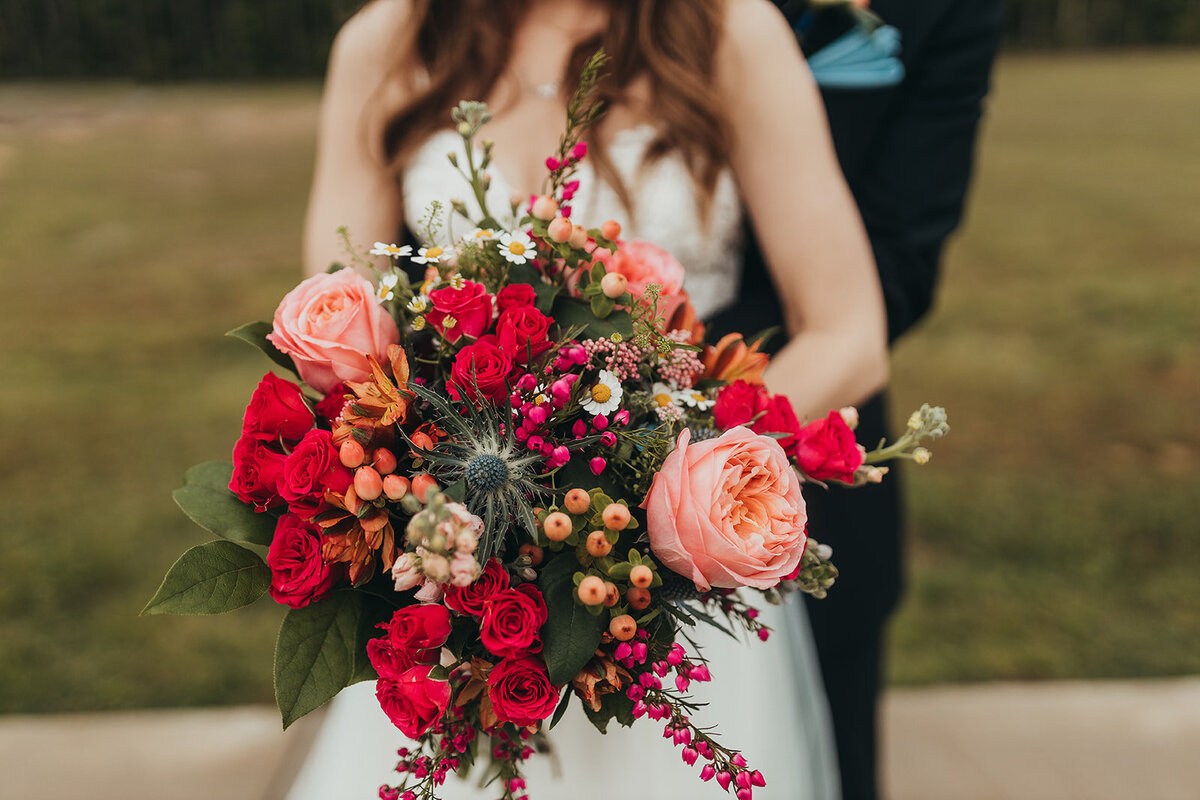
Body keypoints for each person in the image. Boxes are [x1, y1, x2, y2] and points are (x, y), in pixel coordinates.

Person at [290, 0, 888, 797]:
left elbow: (850, 333)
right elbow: (336, 339)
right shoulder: (387, 42)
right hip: (458, 580)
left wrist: (674, 479)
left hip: (673, 578)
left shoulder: (730, 29)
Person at [708, 2, 1003, 798]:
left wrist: (684, 411)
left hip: (809, 454)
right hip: (561, 414)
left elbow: (900, 260)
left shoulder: (945, 14)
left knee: (819, 761)